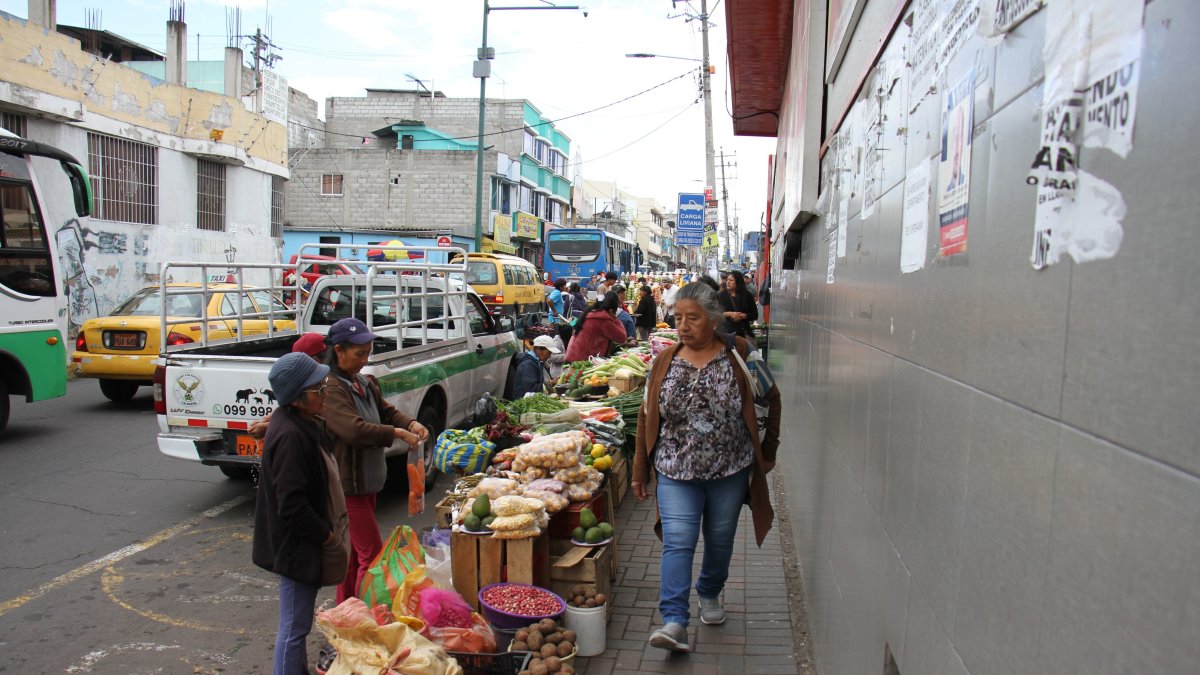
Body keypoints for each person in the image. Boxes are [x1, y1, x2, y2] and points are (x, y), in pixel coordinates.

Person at [631, 282, 782, 653]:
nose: (682, 326)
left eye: (692, 318)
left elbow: (772, 398)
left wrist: (768, 452)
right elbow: (646, 415)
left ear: (713, 320)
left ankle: (710, 591)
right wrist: (639, 469)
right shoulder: (664, 360)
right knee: (678, 541)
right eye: (678, 318)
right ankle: (674, 620)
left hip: (729, 471)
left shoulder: (741, 354)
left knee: (720, 539)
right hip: (675, 471)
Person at [253, 353, 349, 675]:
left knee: (299, 623)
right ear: (296, 398)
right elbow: (291, 504)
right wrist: (326, 536)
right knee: (294, 628)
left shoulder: (300, 421)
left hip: (303, 543)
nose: (324, 395)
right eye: (318, 390)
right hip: (297, 547)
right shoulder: (291, 436)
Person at [321, 318, 429, 604]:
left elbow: (386, 411)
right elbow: (354, 430)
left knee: (354, 555)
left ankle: (345, 608)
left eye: (368, 353)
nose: (365, 360)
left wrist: (411, 422)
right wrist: (396, 433)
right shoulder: (331, 388)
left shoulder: (362, 381)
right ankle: (366, 612)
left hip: (367, 481)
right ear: (338, 350)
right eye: (359, 354)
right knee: (371, 555)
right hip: (348, 486)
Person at [248, 332, 330, 439]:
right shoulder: (290, 434)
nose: (325, 394)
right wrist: (268, 422)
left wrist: (269, 426)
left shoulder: (321, 385)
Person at [564, 291, 628, 362]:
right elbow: (622, 338)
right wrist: (616, 319)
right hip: (581, 360)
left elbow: (573, 323)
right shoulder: (603, 320)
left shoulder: (590, 312)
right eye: (615, 313)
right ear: (611, 310)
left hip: (572, 355)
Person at [718, 271, 758, 338]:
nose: (728, 282)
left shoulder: (747, 295)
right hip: (725, 334)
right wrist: (730, 314)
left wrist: (743, 316)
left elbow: (755, 315)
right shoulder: (721, 295)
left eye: (731, 280)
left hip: (742, 333)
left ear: (738, 281)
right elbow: (716, 314)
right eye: (727, 280)